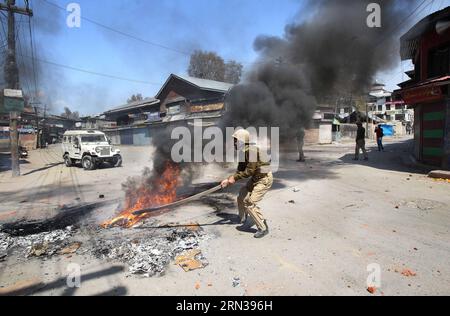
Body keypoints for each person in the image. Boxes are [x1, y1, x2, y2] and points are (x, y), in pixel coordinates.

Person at [221, 129, 273, 239]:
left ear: (242, 141)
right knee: (241, 196)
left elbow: (249, 171)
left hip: (264, 179)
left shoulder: (252, 151)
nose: (234, 143)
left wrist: (234, 178)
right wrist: (229, 179)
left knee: (250, 203)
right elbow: (240, 169)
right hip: (256, 178)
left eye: (236, 140)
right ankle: (242, 218)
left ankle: (263, 227)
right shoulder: (243, 152)